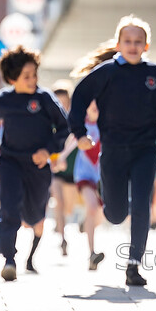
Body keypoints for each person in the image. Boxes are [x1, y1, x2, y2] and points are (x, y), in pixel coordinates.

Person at [68, 14, 156, 287]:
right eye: (128, 41)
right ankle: (115, 206)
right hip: (112, 149)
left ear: (146, 46)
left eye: (139, 41)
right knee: (114, 214)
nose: (133, 45)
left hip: (144, 150)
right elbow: (78, 100)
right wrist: (79, 134)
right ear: (118, 44)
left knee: (141, 205)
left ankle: (134, 265)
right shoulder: (105, 73)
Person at [0, 46, 70, 281]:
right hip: (10, 162)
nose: (32, 80)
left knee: (35, 214)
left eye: (34, 74)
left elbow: (64, 128)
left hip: (38, 167)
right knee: (9, 207)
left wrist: (48, 150)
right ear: (11, 78)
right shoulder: (1, 101)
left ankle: (30, 235)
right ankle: (9, 258)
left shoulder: (44, 98)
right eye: (26, 76)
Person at [70, 100, 105, 270]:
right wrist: (60, 158)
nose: (95, 106)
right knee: (92, 208)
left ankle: (86, 223)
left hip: (103, 176)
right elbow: (70, 143)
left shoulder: (107, 124)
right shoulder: (81, 124)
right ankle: (92, 253)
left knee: (102, 214)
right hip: (84, 174)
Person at [49, 80, 79, 256]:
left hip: (73, 170)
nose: (61, 104)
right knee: (59, 202)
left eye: (63, 101)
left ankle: (63, 226)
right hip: (56, 168)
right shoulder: (50, 120)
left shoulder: (75, 119)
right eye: (57, 101)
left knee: (68, 207)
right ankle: (62, 239)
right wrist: (56, 159)